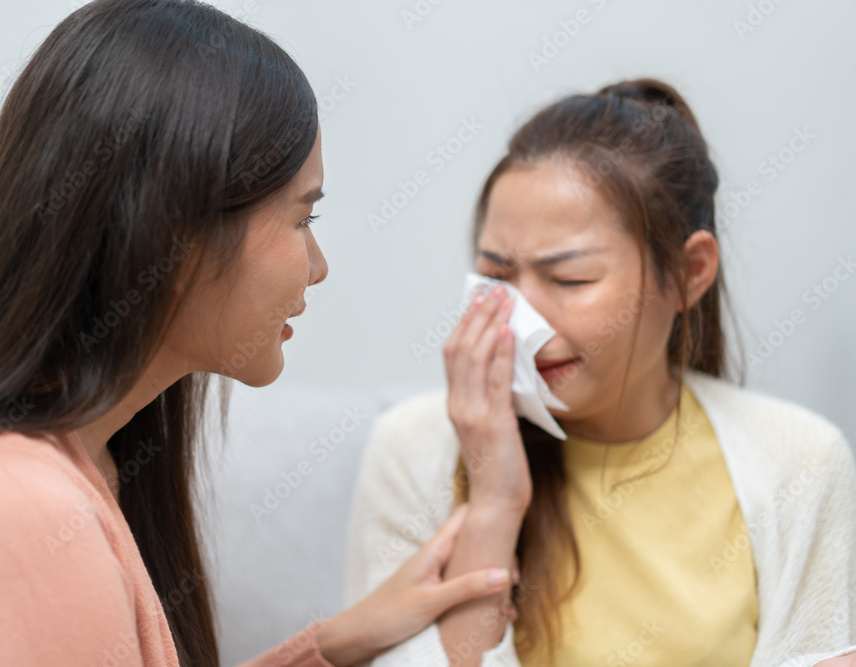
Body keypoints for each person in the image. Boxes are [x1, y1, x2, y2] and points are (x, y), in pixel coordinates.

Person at [0, 1, 517, 665]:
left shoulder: (71, 462)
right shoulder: (19, 507)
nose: (318, 267)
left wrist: (329, 645)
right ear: (173, 230)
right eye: (301, 218)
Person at [342, 78, 856, 666]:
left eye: (571, 280)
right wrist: (492, 504)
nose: (521, 320)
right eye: (496, 276)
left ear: (690, 272)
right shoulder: (413, 450)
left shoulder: (798, 461)